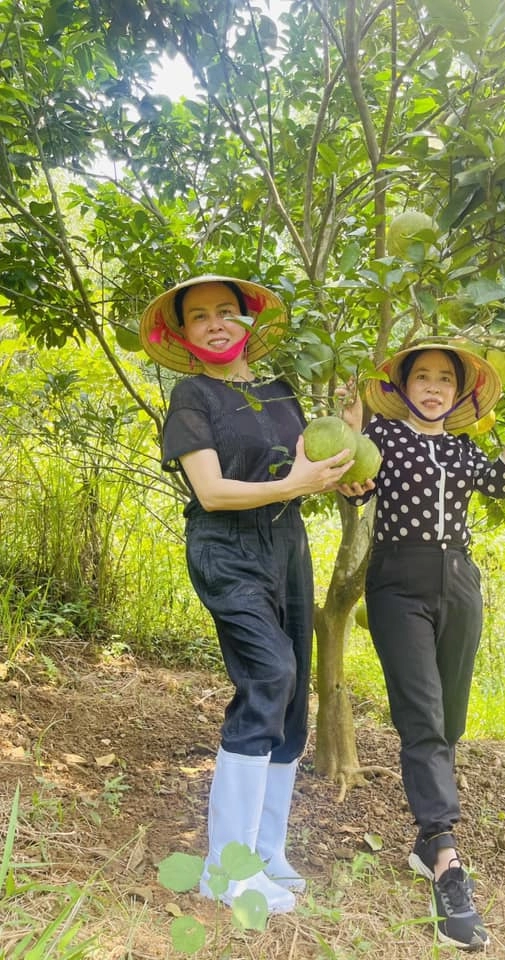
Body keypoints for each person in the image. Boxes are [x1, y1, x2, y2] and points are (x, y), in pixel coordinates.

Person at [139, 274, 355, 914]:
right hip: (226, 545)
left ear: (246, 322)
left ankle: (266, 851)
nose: (215, 324)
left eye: (226, 312)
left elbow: (307, 464)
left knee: (291, 694)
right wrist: (296, 485)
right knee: (269, 675)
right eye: (199, 316)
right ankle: (225, 869)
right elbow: (211, 491)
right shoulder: (192, 394)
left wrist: (347, 435)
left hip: (285, 545)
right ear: (183, 333)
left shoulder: (277, 388)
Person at [338, 338, 505, 951]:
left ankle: (426, 840)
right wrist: (352, 437)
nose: (433, 387)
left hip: (459, 583)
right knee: (423, 717)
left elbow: (502, 484)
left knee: (449, 717)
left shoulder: (461, 447)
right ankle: (447, 860)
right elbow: (355, 486)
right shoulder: (384, 439)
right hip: (398, 582)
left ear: (458, 395)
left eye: (445, 381)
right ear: (403, 386)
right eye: (423, 376)